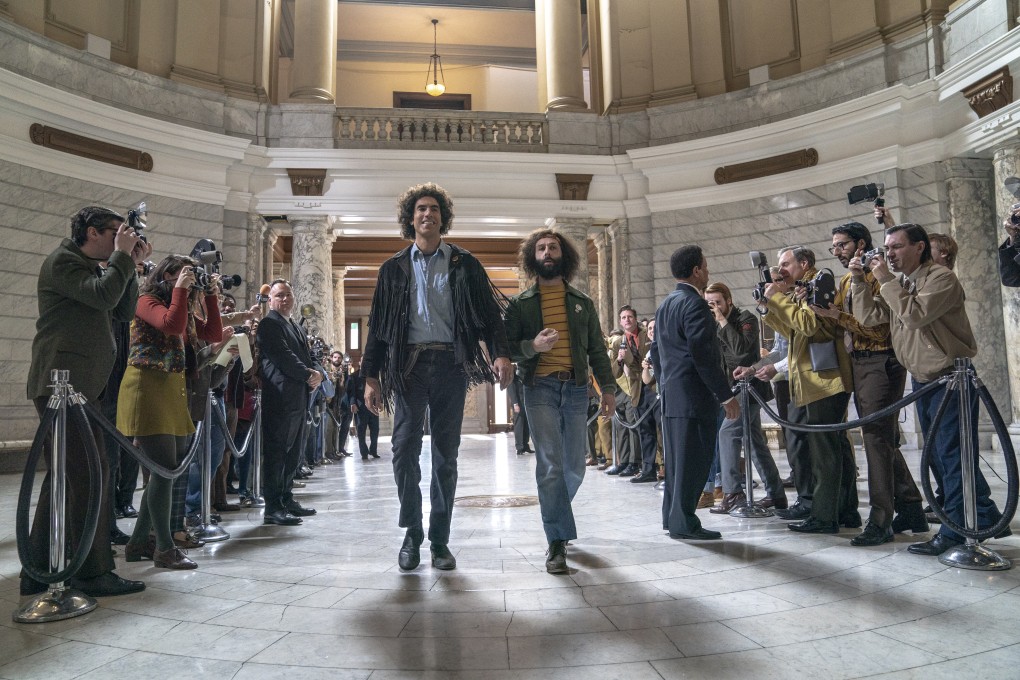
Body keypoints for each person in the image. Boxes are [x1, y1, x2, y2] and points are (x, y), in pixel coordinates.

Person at [362, 182, 512, 571]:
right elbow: (378, 328)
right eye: (420, 210)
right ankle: (412, 532)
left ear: (443, 218)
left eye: (433, 209)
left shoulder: (465, 264)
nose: (427, 214)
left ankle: (439, 541)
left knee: (446, 456)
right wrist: (371, 376)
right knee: (402, 451)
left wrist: (500, 354)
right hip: (407, 368)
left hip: (451, 365)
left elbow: (490, 317)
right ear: (410, 219)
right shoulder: (392, 269)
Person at [851, 220, 1004, 556]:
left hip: (950, 380)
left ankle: (955, 533)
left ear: (919, 248)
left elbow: (914, 315)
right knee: (938, 455)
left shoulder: (940, 278)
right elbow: (870, 317)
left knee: (950, 457)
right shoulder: (903, 282)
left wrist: (885, 279)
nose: (889, 254)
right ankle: (986, 515)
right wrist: (861, 280)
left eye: (896, 247)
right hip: (924, 380)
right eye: (886, 248)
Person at [22, 206, 148, 597]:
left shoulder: (94, 266)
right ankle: (91, 572)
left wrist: (131, 266)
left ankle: (37, 567)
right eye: (115, 233)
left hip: (81, 388)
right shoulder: (64, 261)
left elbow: (122, 310)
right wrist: (122, 260)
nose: (119, 239)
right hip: (62, 387)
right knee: (89, 475)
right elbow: (101, 296)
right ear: (92, 233)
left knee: (65, 477)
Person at [504, 229, 616, 573]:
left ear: (563, 255)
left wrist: (608, 387)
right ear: (532, 257)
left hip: (577, 389)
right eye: (541, 248)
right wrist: (533, 347)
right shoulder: (521, 304)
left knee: (575, 467)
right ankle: (556, 541)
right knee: (550, 464)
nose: (548, 252)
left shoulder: (581, 301)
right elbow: (508, 350)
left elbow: (597, 349)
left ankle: (557, 516)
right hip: (539, 389)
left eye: (553, 247)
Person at [810, 221, 927, 546]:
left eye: (842, 244)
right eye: (833, 246)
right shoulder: (847, 279)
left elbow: (878, 330)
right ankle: (911, 508)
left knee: (875, 438)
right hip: (859, 364)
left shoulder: (880, 276)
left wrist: (837, 317)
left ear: (860, 244)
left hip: (881, 360)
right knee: (881, 437)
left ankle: (880, 520)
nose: (837, 251)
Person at [737, 246, 857, 534]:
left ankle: (825, 516)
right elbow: (791, 332)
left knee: (825, 454)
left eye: (786, 264)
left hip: (824, 380)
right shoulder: (803, 287)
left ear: (804, 264)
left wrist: (777, 297)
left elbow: (807, 325)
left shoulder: (819, 283)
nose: (781, 271)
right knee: (833, 450)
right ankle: (845, 512)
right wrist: (769, 307)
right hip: (815, 380)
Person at [117, 254, 226, 569]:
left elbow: (214, 333)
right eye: (180, 274)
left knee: (166, 471)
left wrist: (210, 296)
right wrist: (180, 289)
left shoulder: (184, 307)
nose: (187, 280)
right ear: (164, 275)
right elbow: (170, 324)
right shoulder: (145, 300)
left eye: (190, 276)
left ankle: (139, 542)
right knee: (163, 469)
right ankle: (164, 548)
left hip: (171, 389)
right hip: (147, 387)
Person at [654, 245, 739, 540]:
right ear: (696, 271)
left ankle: (672, 518)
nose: (708, 271)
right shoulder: (694, 305)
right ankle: (685, 523)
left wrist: (666, 385)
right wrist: (726, 396)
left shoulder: (666, 304)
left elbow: (656, 352)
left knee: (677, 462)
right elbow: (703, 355)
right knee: (693, 462)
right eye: (706, 266)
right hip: (693, 397)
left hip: (672, 395)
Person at [705, 282, 785, 513]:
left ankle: (732, 492)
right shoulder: (712, 324)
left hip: (750, 389)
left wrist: (722, 321)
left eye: (718, 302)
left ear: (729, 301)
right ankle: (776, 494)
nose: (715, 308)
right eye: (710, 303)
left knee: (728, 432)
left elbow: (741, 353)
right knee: (754, 444)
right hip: (731, 389)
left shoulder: (745, 319)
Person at [256, 279, 321, 526]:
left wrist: (318, 372)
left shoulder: (295, 325)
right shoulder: (268, 324)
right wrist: (308, 374)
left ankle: (286, 498)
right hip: (280, 397)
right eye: (279, 295)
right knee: (277, 453)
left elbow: (309, 355)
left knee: (293, 453)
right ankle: (273, 507)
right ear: (270, 300)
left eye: (288, 295)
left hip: (299, 397)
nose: (284, 299)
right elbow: (283, 357)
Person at [348, 366, 380, 460]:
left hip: (373, 406)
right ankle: (364, 453)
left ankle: (373, 450)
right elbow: (352, 391)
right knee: (361, 431)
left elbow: (379, 388)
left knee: (375, 429)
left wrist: (380, 401)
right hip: (360, 407)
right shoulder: (354, 376)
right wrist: (353, 403)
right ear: (360, 362)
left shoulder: (374, 374)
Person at [506, 375, 532, 456]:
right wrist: (515, 404)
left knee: (527, 426)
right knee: (519, 426)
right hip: (518, 404)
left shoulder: (525, 373)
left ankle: (526, 446)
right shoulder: (512, 375)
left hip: (526, 403)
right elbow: (511, 390)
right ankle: (519, 448)